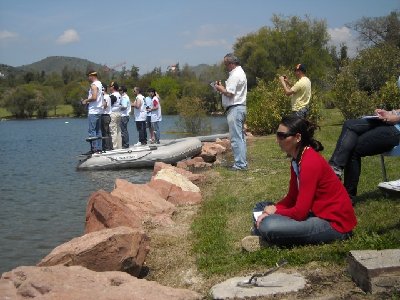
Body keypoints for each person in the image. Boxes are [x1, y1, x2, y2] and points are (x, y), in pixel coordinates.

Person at [241, 115, 357, 251]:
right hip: (316, 213)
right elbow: (292, 197)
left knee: (269, 225)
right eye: (277, 135)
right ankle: (265, 231)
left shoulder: (309, 162)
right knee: (261, 206)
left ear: (297, 138)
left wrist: (275, 211)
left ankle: (265, 235)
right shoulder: (297, 159)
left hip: (334, 224)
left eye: (281, 136)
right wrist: (270, 211)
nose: (277, 140)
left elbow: (300, 212)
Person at [328, 108, 400, 201]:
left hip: (396, 131)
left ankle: (347, 198)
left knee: (353, 147)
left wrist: (396, 118)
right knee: (349, 124)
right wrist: (389, 113)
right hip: (390, 123)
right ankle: (335, 168)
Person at [214, 53, 248, 170]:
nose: (225, 66)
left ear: (232, 64)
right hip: (239, 107)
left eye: (226, 64)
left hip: (235, 108)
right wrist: (222, 88)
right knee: (240, 137)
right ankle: (242, 162)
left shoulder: (235, 75)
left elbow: (229, 93)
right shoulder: (240, 73)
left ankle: (240, 164)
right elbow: (231, 91)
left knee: (236, 138)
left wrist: (219, 88)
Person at [81, 71, 103, 153]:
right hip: (99, 110)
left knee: (92, 131)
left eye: (88, 76)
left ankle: (94, 149)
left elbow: (94, 97)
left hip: (93, 111)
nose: (88, 78)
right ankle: (99, 148)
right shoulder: (100, 84)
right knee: (98, 131)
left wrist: (86, 100)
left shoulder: (94, 85)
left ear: (92, 76)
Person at [109, 81, 122, 149]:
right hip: (119, 113)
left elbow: (108, 105)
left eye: (110, 86)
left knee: (113, 131)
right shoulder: (119, 95)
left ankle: (114, 147)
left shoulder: (113, 96)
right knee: (118, 131)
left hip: (113, 114)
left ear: (113, 87)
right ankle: (119, 146)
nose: (109, 87)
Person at [100, 84, 112, 151]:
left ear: (103, 89)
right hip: (108, 116)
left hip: (104, 116)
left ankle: (106, 148)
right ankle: (110, 147)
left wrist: (99, 106)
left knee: (105, 133)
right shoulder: (109, 96)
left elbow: (105, 105)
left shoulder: (105, 96)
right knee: (108, 133)